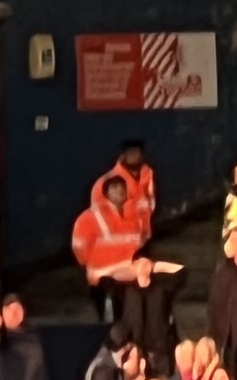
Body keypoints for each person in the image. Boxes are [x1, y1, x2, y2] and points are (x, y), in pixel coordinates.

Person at [73, 144, 173, 353]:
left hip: (127, 278)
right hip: (103, 280)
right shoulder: (90, 217)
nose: (118, 192)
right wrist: (93, 268)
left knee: (126, 321)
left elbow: (138, 239)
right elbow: (80, 248)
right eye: (114, 190)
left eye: (121, 190)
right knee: (108, 324)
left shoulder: (133, 214)